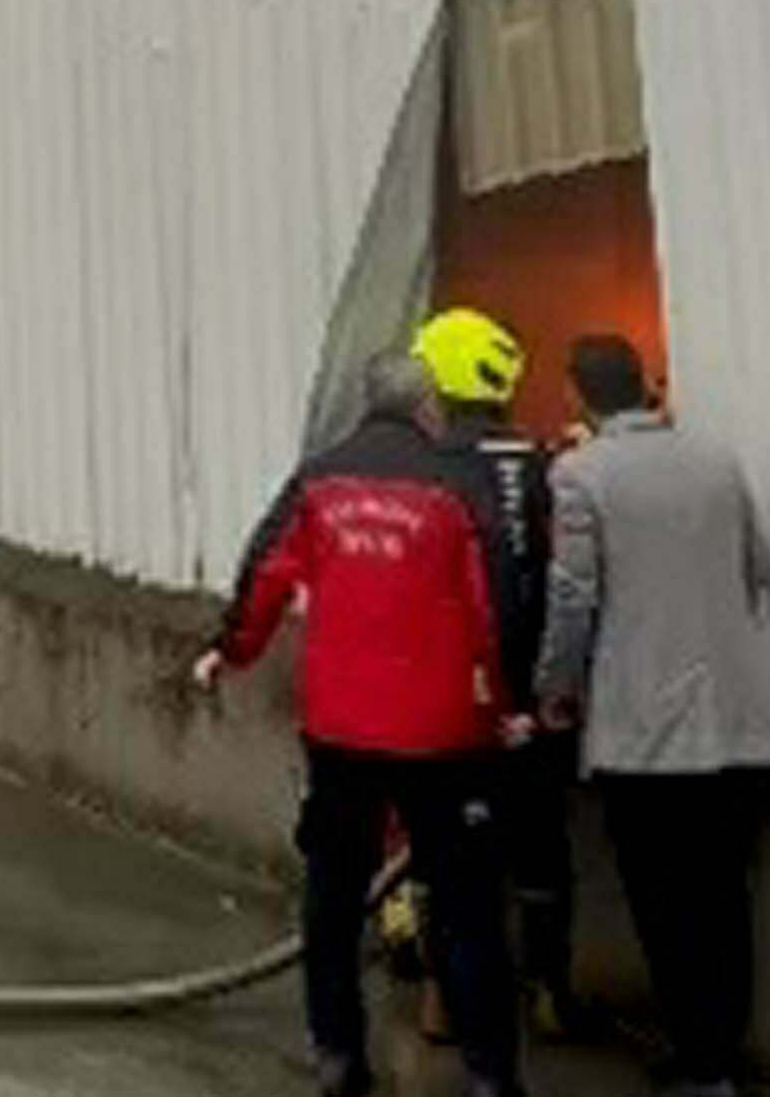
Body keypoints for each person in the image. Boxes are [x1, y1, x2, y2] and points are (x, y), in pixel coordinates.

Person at [197, 350, 527, 1097]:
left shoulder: (318, 479)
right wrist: (509, 705)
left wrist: (229, 651)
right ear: (429, 408)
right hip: (444, 735)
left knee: (334, 898)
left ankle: (339, 1056)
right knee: (467, 905)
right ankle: (490, 1076)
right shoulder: (459, 484)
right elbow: (494, 604)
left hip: (341, 730)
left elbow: (265, 576)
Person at [538, 333, 770, 1097]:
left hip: (644, 729)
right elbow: (759, 570)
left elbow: (573, 596)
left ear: (578, 395)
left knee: (662, 897)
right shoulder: (717, 462)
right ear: (648, 386)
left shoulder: (579, 475)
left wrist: (555, 689)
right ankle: (724, 1046)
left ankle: (695, 1056)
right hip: (742, 719)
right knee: (724, 894)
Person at [412, 306, 580, 1034]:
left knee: (444, 851)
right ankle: (548, 991)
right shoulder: (544, 466)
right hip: (538, 698)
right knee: (541, 847)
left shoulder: (422, 474)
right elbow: (566, 575)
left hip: (448, 701)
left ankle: (446, 997)